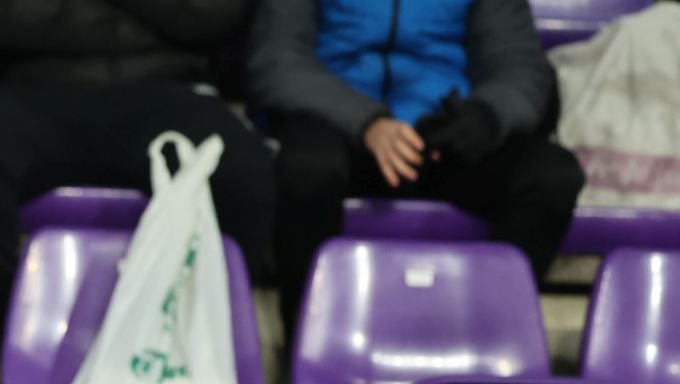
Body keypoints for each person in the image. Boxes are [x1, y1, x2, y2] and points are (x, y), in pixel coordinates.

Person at [0, 0, 277, 355]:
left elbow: (213, 19)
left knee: (242, 170)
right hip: (30, 89)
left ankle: (201, 344)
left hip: (168, 89)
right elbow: (5, 20)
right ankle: (5, 343)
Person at [250, 0, 584, 333]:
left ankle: (487, 340)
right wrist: (367, 123)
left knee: (551, 177)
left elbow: (519, 65)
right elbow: (276, 60)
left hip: (438, 134)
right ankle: (311, 342)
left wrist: (487, 115)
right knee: (307, 170)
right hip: (337, 124)